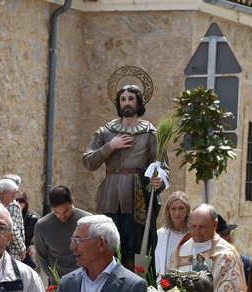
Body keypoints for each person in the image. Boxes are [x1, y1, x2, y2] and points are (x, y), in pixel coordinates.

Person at [82, 84, 167, 268]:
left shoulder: (149, 133)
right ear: (118, 103)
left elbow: (163, 167)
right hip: (110, 197)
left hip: (137, 199)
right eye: (123, 99)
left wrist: (158, 180)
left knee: (134, 247)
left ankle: (132, 286)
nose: (126, 103)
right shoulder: (106, 132)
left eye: (131, 99)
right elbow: (88, 162)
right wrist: (110, 146)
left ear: (138, 102)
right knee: (106, 244)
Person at [167, 205, 246, 292]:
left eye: (202, 226)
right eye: (193, 226)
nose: (197, 231)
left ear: (215, 225)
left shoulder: (227, 254)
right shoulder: (180, 250)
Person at [34, 185, 93, 280]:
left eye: (66, 211)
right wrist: (52, 275)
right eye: (57, 212)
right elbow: (41, 256)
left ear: (72, 201)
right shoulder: (42, 226)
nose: (62, 216)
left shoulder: (88, 221)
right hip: (57, 281)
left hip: (85, 278)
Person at [153, 191, 190, 276]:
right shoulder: (159, 235)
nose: (177, 213)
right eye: (173, 208)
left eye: (181, 208)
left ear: (187, 210)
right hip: (165, 285)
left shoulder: (193, 236)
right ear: (168, 211)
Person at [216, 214, 250, 284]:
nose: (226, 238)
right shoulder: (208, 260)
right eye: (222, 234)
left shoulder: (244, 261)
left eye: (228, 234)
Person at [19, 192, 39, 269]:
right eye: (16, 200)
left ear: (25, 203)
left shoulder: (32, 219)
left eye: (21, 200)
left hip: (25, 255)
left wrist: (34, 245)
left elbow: (40, 237)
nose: (18, 203)